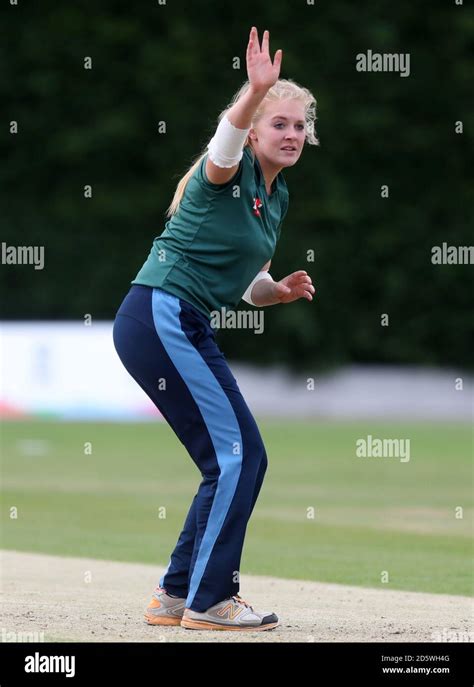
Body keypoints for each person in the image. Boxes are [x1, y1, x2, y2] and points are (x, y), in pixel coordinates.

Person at [112, 26, 319, 632]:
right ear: (254, 129)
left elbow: (246, 276)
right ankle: (210, 598)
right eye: (278, 123)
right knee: (240, 455)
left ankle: (177, 594)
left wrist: (272, 292)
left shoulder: (274, 197)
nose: (291, 135)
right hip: (160, 314)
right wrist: (253, 94)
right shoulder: (223, 171)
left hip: (177, 322)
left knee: (232, 458)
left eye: (299, 126)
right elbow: (225, 142)